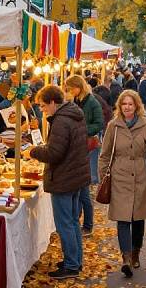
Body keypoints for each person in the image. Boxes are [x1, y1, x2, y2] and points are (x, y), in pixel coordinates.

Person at [99, 90, 146, 278]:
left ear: (137, 106)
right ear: (119, 106)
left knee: (138, 218)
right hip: (119, 176)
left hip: (141, 176)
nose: (127, 107)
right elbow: (104, 155)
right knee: (122, 218)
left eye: (130, 104)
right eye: (124, 104)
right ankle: (126, 258)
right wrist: (104, 175)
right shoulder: (113, 126)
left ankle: (136, 251)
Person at [25, 85, 90, 280]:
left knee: (65, 224)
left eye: (44, 106)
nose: (42, 110)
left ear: (53, 102)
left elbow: (55, 153)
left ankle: (71, 264)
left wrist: (33, 151)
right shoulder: (73, 115)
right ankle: (75, 261)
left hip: (65, 178)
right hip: (75, 176)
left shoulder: (61, 121)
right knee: (71, 222)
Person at [65, 75, 104, 237]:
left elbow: (99, 123)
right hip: (77, 146)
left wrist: (83, 131)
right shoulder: (76, 101)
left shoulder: (92, 102)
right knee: (80, 188)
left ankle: (88, 224)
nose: (69, 91)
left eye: (71, 88)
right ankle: (78, 220)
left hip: (87, 145)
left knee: (84, 189)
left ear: (78, 87)